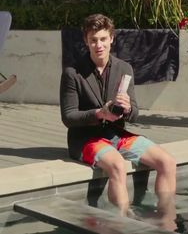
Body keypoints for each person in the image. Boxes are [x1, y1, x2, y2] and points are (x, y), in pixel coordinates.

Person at [60, 14, 176, 225]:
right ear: (86, 41)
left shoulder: (124, 69)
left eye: (103, 39)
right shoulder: (72, 73)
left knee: (167, 162)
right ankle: (124, 221)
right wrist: (99, 114)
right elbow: (68, 117)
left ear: (112, 38)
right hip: (86, 138)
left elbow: (135, 114)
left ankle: (166, 220)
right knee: (118, 165)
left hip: (117, 134)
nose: (99, 45)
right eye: (93, 40)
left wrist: (128, 107)